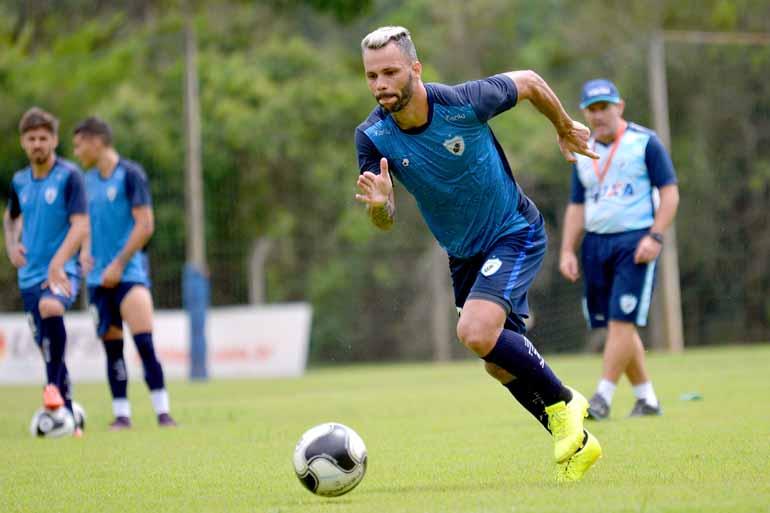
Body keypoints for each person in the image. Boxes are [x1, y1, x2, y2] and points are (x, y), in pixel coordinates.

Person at [354, 26, 601, 482]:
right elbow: (384, 219)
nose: (381, 84)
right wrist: (379, 206)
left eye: (390, 72)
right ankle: (577, 444)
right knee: (496, 363)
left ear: (415, 69)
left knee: (474, 331)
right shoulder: (372, 137)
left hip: (514, 231)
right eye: (372, 76)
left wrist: (564, 126)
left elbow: (529, 81)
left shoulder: (462, 102)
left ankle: (565, 401)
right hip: (463, 256)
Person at [558, 79, 679, 420]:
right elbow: (577, 205)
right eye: (592, 109)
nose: (598, 115)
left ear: (620, 107)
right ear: (584, 113)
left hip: (634, 242)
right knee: (615, 326)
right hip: (596, 244)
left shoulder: (645, 142)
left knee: (621, 323)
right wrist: (567, 250)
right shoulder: (582, 150)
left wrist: (655, 236)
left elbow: (670, 193)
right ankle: (647, 399)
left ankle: (602, 397)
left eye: (605, 107)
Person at [72, 116, 176, 429]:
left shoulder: (130, 175)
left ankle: (163, 413)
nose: (77, 152)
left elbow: (145, 225)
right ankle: (122, 415)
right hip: (97, 280)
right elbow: (84, 224)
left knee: (144, 344)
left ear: (96, 142)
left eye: (79, 145)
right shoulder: (86, 181)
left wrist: (118, 264)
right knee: (112, 349)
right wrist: (83, 250)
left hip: (129, 276)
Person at [3, 107, 89, 437]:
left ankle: (52, 397)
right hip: (29, 275)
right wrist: (12, 245)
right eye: (31, 138)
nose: (37, 143)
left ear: (54, 140)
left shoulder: (69, 176)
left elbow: (80, 224)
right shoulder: (19, 181)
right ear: (23, 143)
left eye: (43, 137)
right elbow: (11, 217)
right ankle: (67, 410)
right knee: (46, 347)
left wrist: (59, 261)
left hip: (63, 270)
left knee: (51, 306)